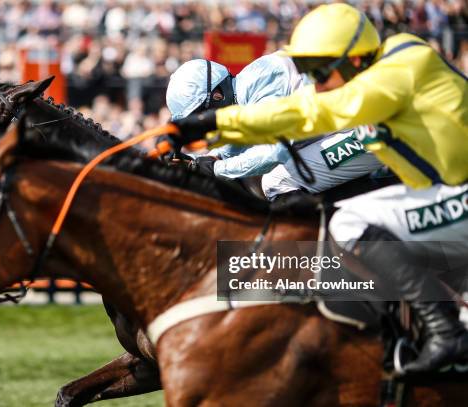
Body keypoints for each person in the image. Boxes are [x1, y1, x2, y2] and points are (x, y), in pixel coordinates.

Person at [170, 3, 468, 373]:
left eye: (320, 72)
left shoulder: (392, 76)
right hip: (445, 183)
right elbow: (304, 112)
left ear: (354, 58)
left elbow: (309, 117)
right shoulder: (379, 65)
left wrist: (218, 153)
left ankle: (447, 330)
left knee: (326, 206)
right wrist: (213, 131)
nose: (315, 83)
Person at [165, 56, 381, 200]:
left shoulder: (263, 81)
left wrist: (217, 169)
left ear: (217, 95)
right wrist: (207, 160)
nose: (202, 122)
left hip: (373, 130)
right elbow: (249, 134)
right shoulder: (248, 85)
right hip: (353, 123)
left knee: (275, 181)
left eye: (199, 114)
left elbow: (275, 150)